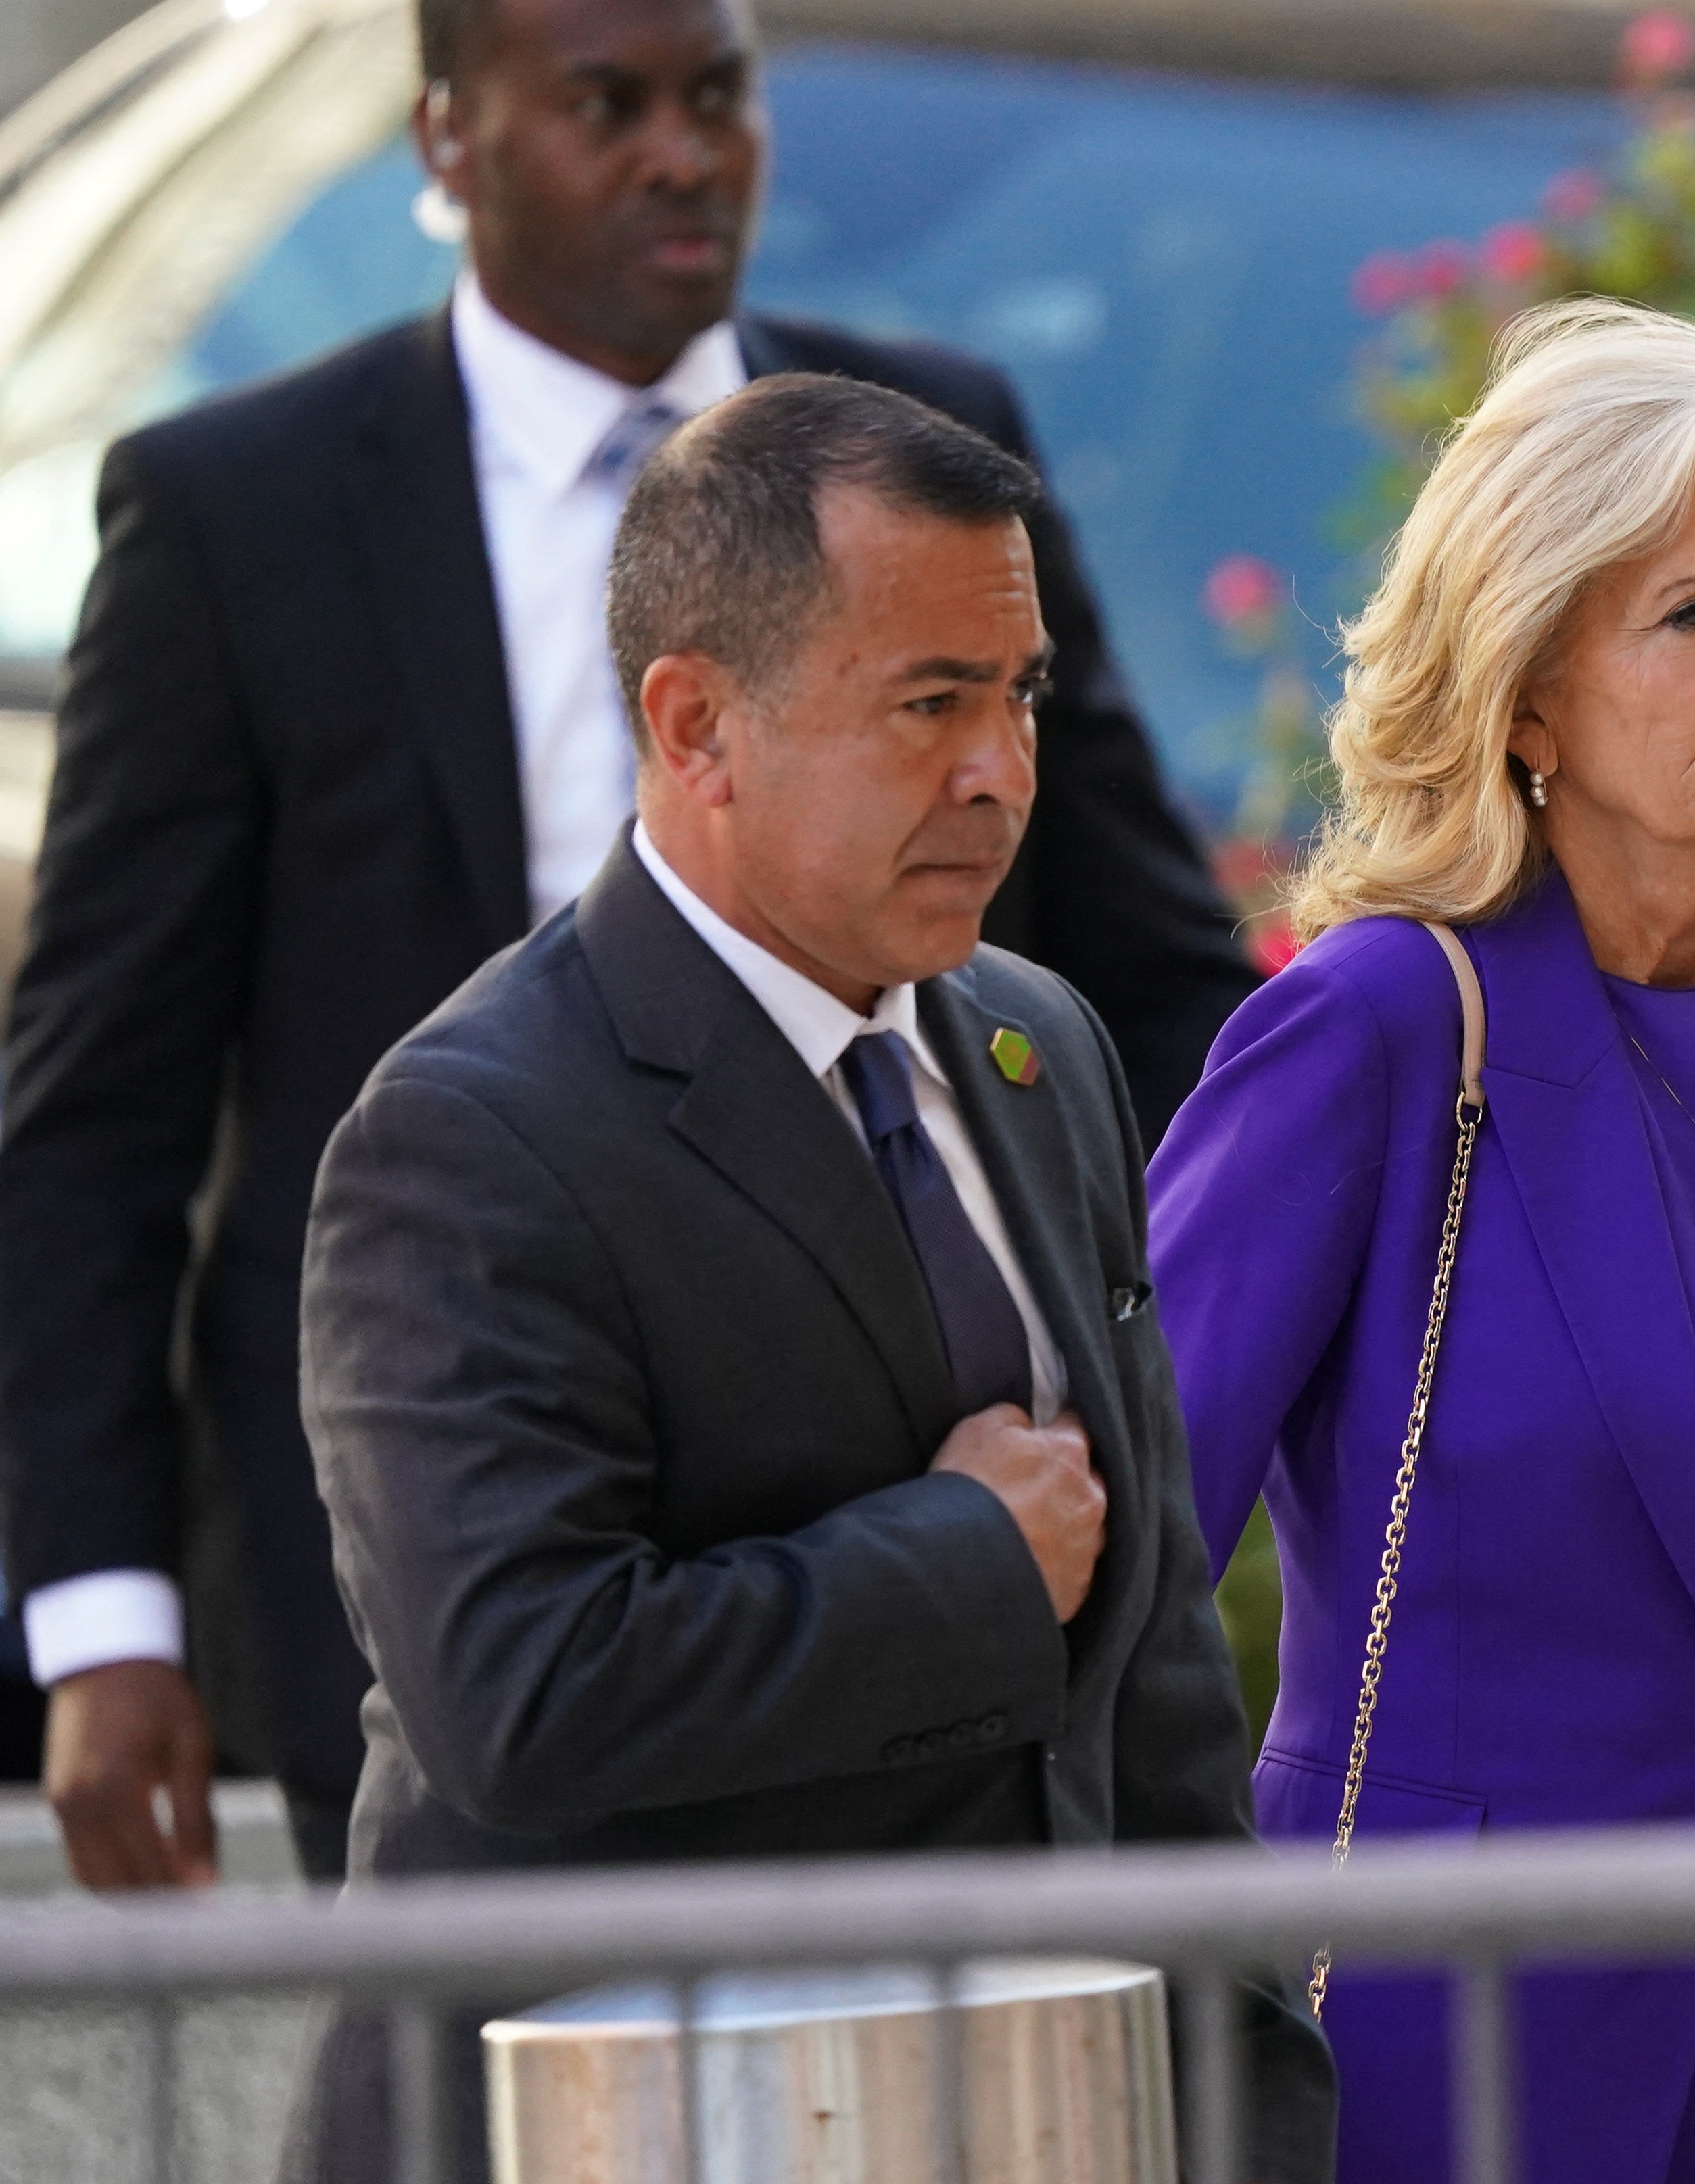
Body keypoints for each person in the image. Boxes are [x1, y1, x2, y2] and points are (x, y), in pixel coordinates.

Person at [0, 0, 1255, 1896]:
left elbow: (1159, 963)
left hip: (913, 1451)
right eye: (608, 105)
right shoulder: (235, 508)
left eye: (720, 94)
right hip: (448, 1511)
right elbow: (100, 1101)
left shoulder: (930, 457)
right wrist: (100, 1609)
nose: (684, 153)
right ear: (448, 134)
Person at [283, 373, 1327, 2183]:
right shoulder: (466, 1139)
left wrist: (1257, 2106)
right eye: (930, 704)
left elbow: (1146, 1671)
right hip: (625, 2138)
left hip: (1018, 2122)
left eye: (1018, 695)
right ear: (695, 726)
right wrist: (961, 1562)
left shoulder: (1037, 1045)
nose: (1002, 770)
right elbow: (515, 1694)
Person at [1149, 302, 1695, 2184]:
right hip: (1470, 2034)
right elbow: (1144, 1559)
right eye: (1693, 616)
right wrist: (1150, 1977)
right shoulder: (1376, 1029)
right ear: (1526, 691)